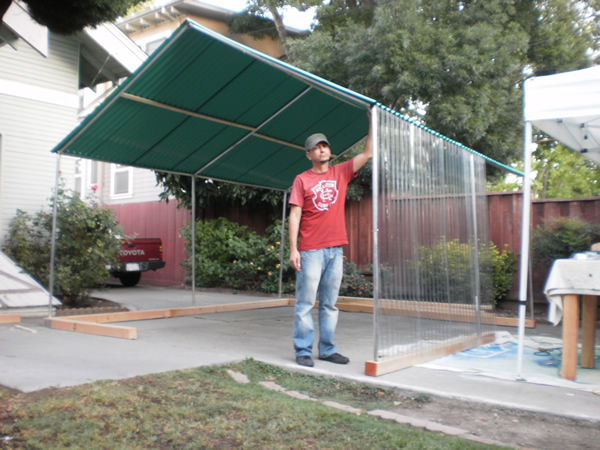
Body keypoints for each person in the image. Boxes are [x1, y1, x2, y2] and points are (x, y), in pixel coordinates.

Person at [288, 119, 373, 367]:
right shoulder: (301, 180)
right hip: (311, 250)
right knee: (305, 303)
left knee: (330, 304)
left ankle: (326, 349)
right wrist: (294, 248)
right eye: (316, 147)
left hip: (335, 249)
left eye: (324, 145)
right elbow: (295, 214)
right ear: (309, 154)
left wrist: (370, 120)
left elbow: (368, 152)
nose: (322, 149)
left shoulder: (341, 172)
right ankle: (303, 350)